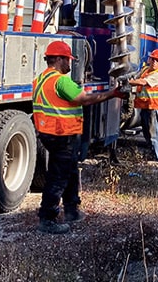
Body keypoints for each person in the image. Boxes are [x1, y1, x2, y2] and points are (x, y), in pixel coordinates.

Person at [32, 40, 125, 234]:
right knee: (58, 177)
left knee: (71, 170)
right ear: (58, 59)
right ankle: (47, 219)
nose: (70, 64)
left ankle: (72, 210)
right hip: (61, 135)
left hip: (49, 133)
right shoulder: (61, 80)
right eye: (67, 60)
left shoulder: (40, 78)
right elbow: (83, 99)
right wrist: (113, 93)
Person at [130, 49, 158, 162]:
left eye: (157, 60)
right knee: (147, 133)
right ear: (149, 59)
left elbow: (142, 82)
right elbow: (137, 76)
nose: (155, 62)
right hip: (146, 106)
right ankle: (152, 154)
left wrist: (129, 81)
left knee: (155, 133)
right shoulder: (146, 69)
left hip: (154, 107)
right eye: (153, 59)